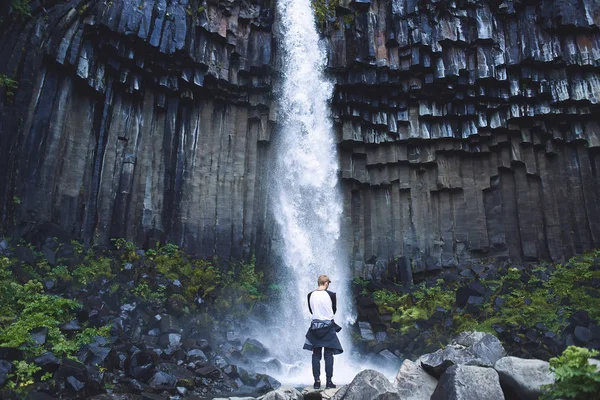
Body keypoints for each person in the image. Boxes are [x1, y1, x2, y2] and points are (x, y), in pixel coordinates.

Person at [303, 275, 343, 389]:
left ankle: (316, 381)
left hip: (315, 327)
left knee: (316, 355)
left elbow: (311, 310)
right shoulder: (331, 295)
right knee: (328, 355)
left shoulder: (310, 295)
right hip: (328, 327)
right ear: (326, 284)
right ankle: (329, 381)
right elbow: (334, 310)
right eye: (328, 283)